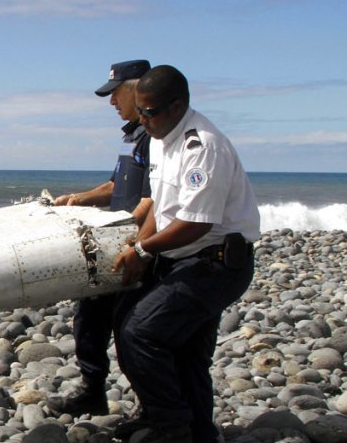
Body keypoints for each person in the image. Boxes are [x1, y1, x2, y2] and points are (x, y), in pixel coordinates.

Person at [112, 65, 260, 443]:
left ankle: (170, 425)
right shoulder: (162, 137)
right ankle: (195, 430)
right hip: (184, 257)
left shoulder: (203, 147)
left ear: (177, 106)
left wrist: (143, 249)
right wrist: (138, 250)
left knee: (140, 333)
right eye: (140, 112)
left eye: (150, 112)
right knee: (183, 349)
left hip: (216, 263)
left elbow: (196, 223)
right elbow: (162, 209)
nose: (143, 120)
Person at [48, 59, 153, 416]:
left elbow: (154, 201)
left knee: (132, 331)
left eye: (115, 94)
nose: (111, 102)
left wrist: (134, 244)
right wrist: (76, 199)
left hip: (138, 247)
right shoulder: (131, 137)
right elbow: (114, 186)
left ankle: (150, 405)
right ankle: (92, 389)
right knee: (89, 318)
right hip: (115, 242)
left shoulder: (156, 138)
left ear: (138, 90)